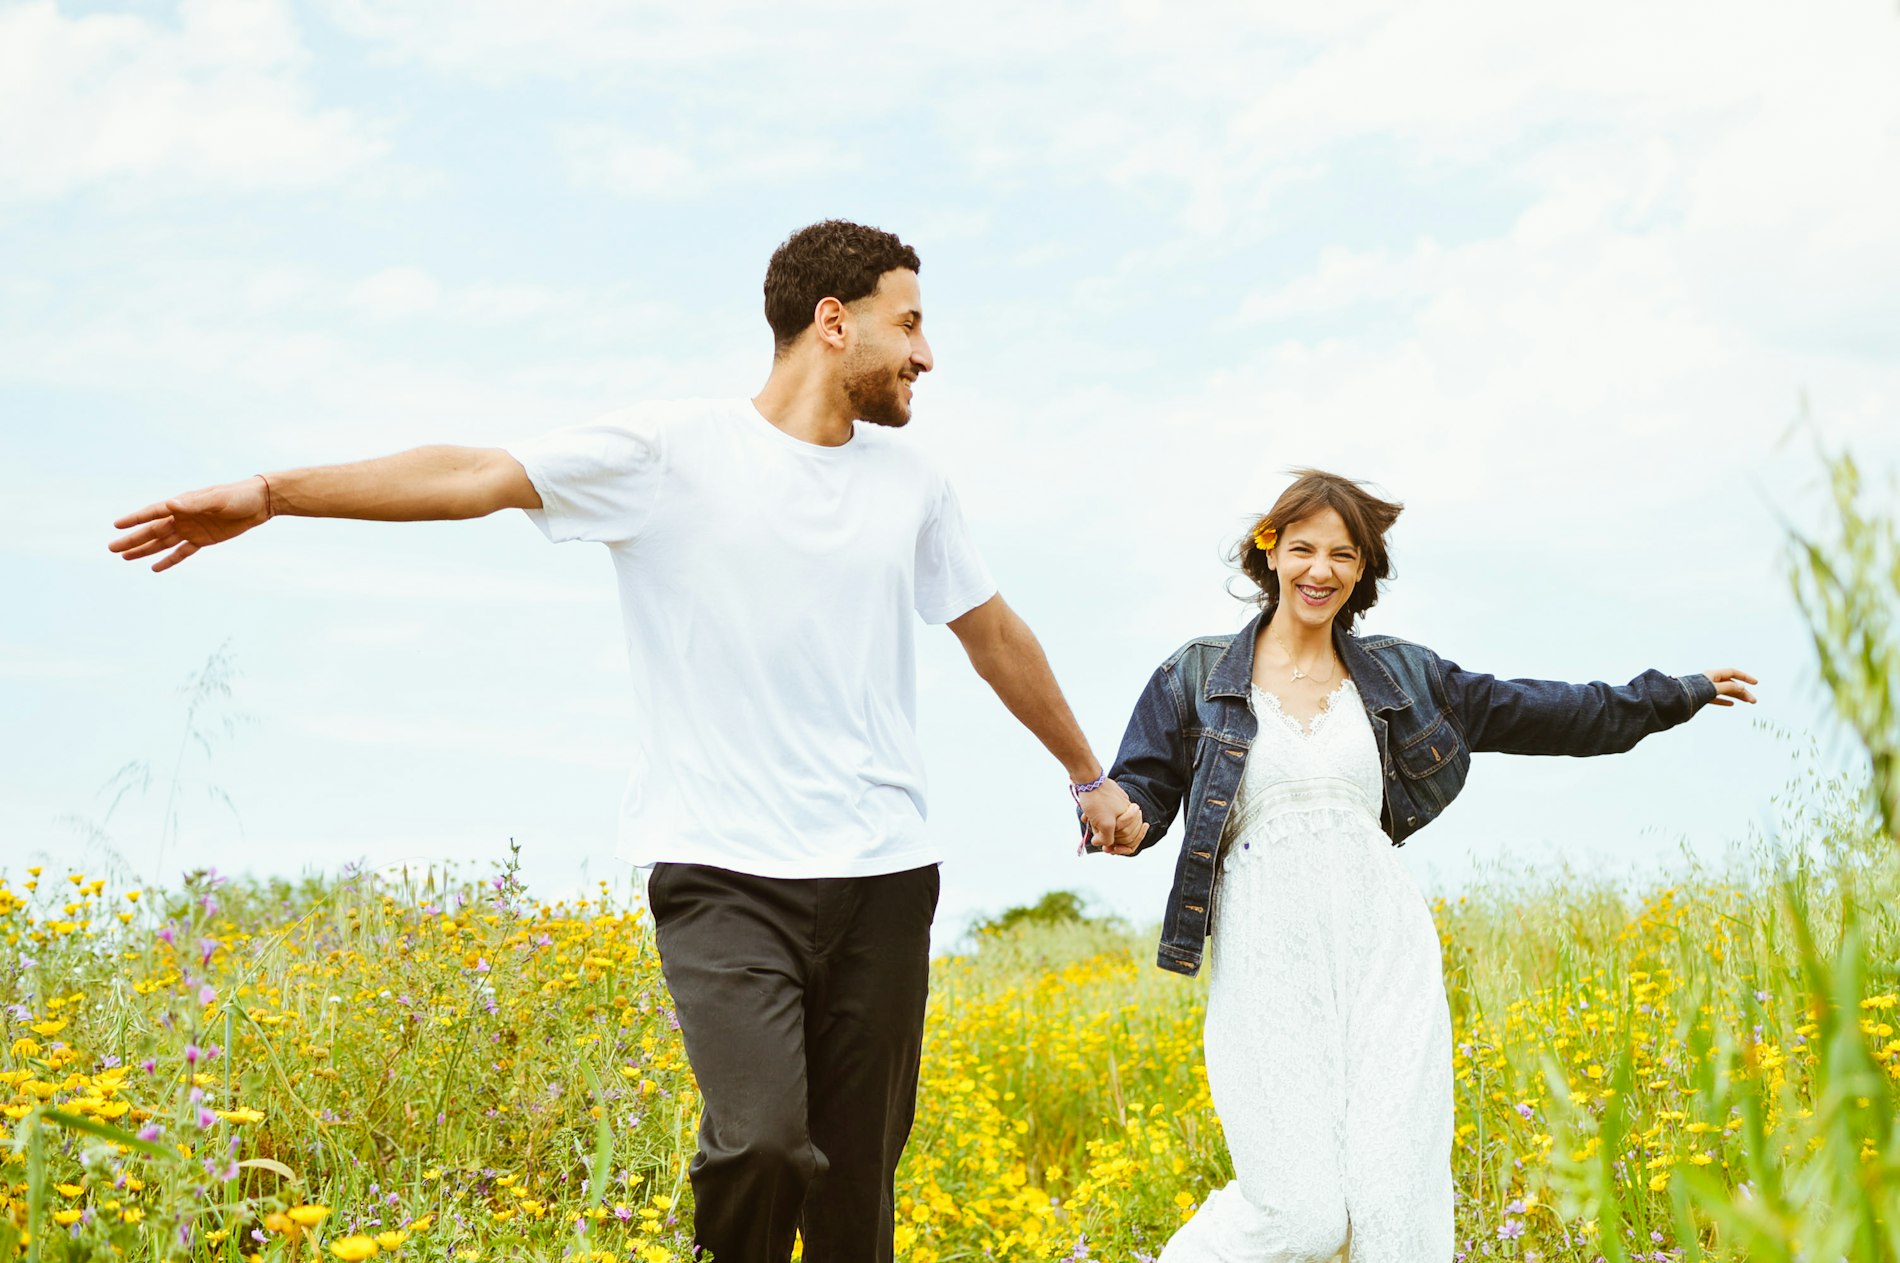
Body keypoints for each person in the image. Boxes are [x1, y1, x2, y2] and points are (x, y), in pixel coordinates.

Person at [109, 219, 1145, 1262]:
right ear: (833, 323)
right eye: (909, 324)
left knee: (853, 1193)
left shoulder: (912, 485)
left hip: (883, 877)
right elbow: (474, 474)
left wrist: (1086, 774)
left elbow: (993, 632)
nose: (927, 355)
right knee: (764, 1149)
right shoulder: (668, 453)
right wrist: (273, 495)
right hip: (725, 877)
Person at [1093, 469, 1756, 1262]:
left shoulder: (1403, 677)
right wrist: (1125, 819)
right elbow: (1141, 791)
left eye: (1343, 554)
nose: (1321, 570)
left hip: (1385, 951)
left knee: (1396, 1211)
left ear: (1362, 568)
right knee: (1299, 1215)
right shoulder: (1195, 676)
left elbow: (1547, 710)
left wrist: (1669, 695)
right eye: (1302, 548)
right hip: (1268, 957)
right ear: (1268, 551)